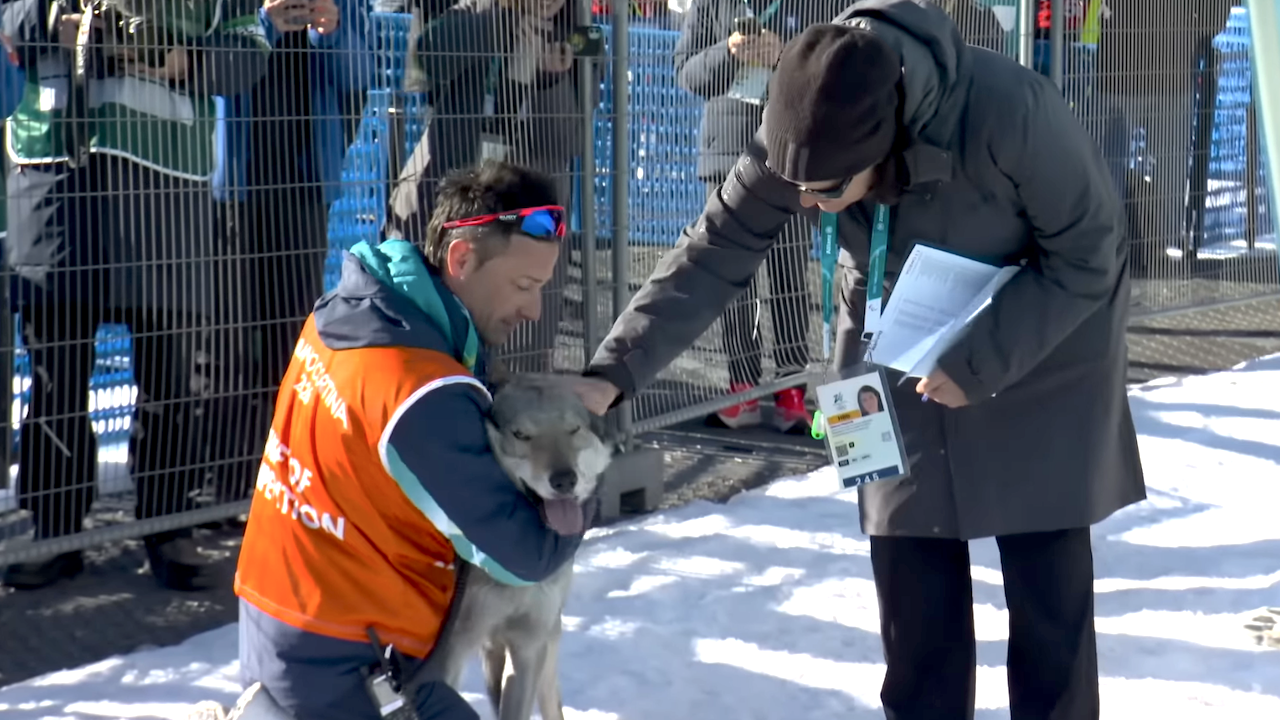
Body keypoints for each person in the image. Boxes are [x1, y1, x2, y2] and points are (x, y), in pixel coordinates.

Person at [570, 2, 1145, 717]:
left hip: (1038, 349)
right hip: (883, 348)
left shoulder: (1011, 109)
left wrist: (982, 361)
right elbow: (713, 249)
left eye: (830, 193)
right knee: (910, 597)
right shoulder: (801, 116)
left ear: (885, 143)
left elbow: (1092, 254)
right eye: (800, 191)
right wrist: (611, 373)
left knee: (1048, 604)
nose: (811, 207)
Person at [234, 161, 591, 720]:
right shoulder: (417, 389)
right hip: (347, 662)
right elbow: (524, 555)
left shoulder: (350, 313)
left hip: (285, 621)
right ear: (462, 259)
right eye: (524, 286)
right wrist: (577, 488)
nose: (534, 310)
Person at [1, 0, 270, 591]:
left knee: (167, 375)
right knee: (55, 368)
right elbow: (10, 16)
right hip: (59, 175)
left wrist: (180, 60)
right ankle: (56, 530)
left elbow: (250, 53)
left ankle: (168, 527)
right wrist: (56, 22)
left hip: (165, 182)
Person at [211, 0, 372, 505]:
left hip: (303, 182)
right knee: (230, 334)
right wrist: (266, 25)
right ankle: (231, 479)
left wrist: (333, 27)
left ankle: (285, 469)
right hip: (233, 181)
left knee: (291, 333)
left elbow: (362, 71)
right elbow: (208, 65)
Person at [387, 0, 599, 375]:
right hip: (447, 194)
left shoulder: (580, 26)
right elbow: (429, 62)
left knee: (517, 371)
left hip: (527, 219)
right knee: (423, 350)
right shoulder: (466, 9)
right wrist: (501, 14)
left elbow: (570, 138)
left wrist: (550, 80)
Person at [674, 0, 848, 432]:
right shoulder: (711, 6)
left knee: (788, 273)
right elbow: (688, 74)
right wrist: (730, 51)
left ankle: (793, 385)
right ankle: (742, 387)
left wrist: (785, 56)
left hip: (793, 152)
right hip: (726, 154)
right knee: (730, 274)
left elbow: (841, 66)